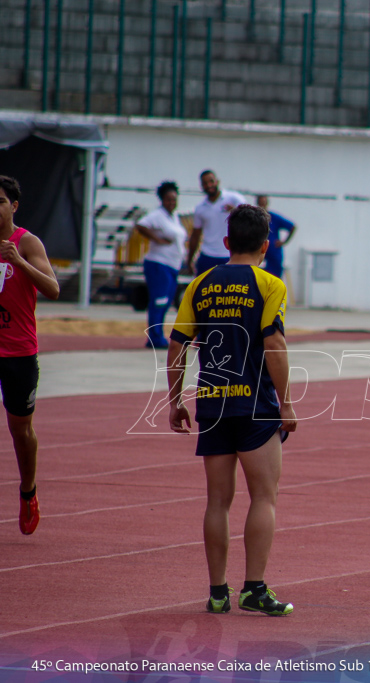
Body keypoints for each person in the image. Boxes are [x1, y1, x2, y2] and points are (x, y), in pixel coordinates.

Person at [166, 204, 297, 615]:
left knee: (217, 501)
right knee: (264, 497)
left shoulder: (200, 283)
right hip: (255, 404)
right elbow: (273, 345)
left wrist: (175, 402)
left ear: (225, 242)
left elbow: (177, 345)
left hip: (212, 403)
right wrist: (287, 403)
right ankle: (254, 589)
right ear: (265, 245)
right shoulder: (270, 284)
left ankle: (217, 592)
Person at [0, 176, 60, 535]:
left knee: (20, 429)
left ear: (14, 206)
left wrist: (20, 262)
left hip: (18, 351)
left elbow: (53, 288)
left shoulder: (27, 242)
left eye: (0, 201)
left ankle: (28, 492)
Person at [134, 181, 188, 349]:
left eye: (174, 199)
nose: (171, 202)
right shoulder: (157, 215)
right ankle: (154, 338)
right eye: (168, 199)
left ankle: (158, 335)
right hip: (159, 264)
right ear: (162, 200)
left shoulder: (174, 216)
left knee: (166, 302)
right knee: (159, 301)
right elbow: (141, 225)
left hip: (173, 266)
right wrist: (156, 239)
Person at [187, 170, 246, 275]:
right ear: (201, 186)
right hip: (207, 256)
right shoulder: (200, 208)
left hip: (230, 255)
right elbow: (195, 235)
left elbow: (249, 219)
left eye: (211, 181)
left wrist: (236, 211)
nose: (209, 185)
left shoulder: (234, 199)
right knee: (204, 289)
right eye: (205, 183)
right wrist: (190, 259)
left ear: (217, 182)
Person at [255, 195, 298, 280]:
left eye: (264, 203)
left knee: (274, 278)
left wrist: (284, 242)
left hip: (273, 251)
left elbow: (292, 227)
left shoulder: (273, 217)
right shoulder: (254, 217)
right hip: (257, 251)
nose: (262, 206)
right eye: (261, 203)